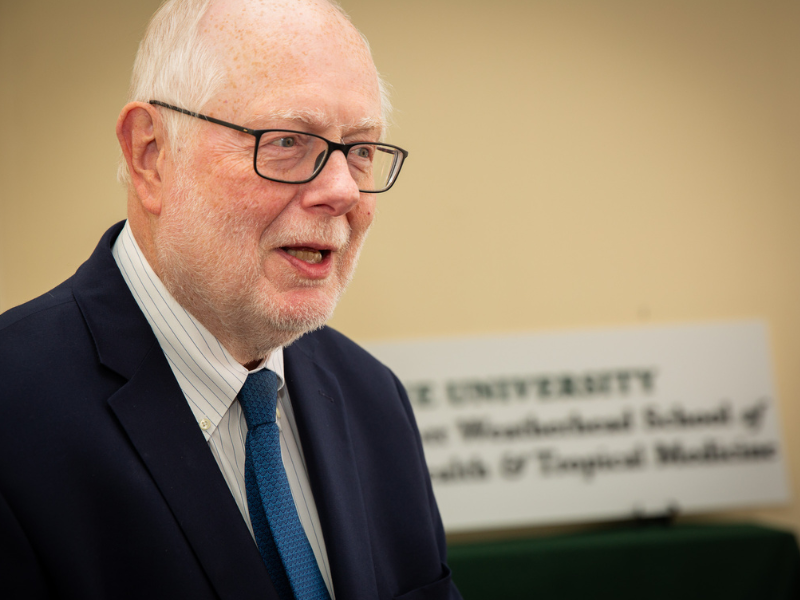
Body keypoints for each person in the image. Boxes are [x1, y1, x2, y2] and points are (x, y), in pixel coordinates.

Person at [0, 0, 461, 598]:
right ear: (151, 155)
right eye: (289, 140)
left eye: (362, 149)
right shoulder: (14, 412)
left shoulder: (374, 400)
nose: (343, 190)